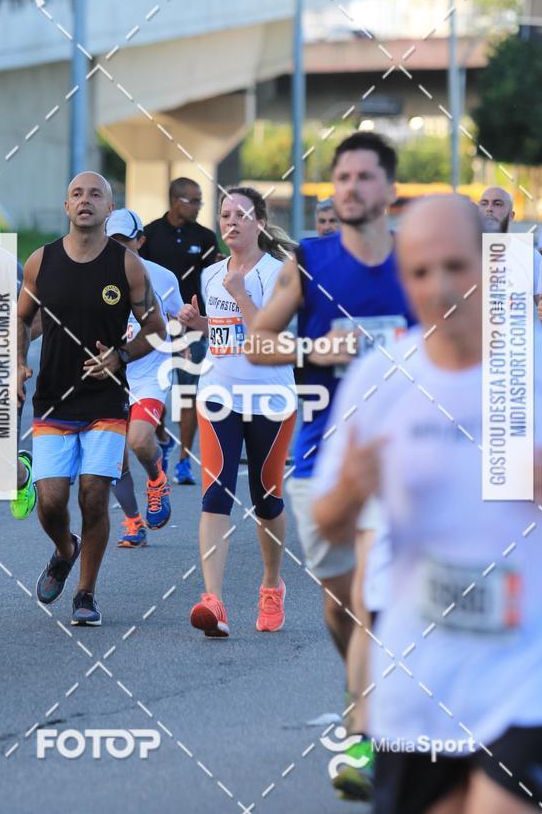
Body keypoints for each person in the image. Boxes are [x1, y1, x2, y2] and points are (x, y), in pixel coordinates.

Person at [313, 194, 542, 814]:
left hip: (527, 670)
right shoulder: (382, 378)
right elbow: (327, 522)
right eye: (420, 272)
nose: (439, 286)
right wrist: (351, 488)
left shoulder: (537, 364)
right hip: (419, 678)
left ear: (490, 264)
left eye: (455, 267)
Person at [248, 132, 414, 695]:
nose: (351, 186)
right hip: (323, 454)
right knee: (340, 607)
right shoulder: (308, 262)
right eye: (342, 177)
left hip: (402, 456)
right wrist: (309, 350)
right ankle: (360, 691)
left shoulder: (419, 263)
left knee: (376, 591)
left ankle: (373, 724)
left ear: (390, 189)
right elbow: (256, 342)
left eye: (364, 176)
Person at [17, 172, 166, 626]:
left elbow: (157, 330)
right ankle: (65, 549)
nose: (86, 201)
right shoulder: (40, 262)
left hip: (104, 401)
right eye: (77, 194)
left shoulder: (127, 266)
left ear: (109, 207)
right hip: (53, 402)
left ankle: (85, 592)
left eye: (95, 194)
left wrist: (120, 356)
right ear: (67, 207)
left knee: (95, 497)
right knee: (51, 502)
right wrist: (19, 364)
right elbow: (21, 320)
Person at [179, 186, 297, 637]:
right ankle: (214, 600)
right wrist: (199, 325)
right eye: (225, 214)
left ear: (259, 223)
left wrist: (242, 296)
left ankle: (271, 586)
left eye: (241, 215)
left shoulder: (281, 273)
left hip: (270, 397)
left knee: (266, 499)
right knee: (215, 495)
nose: (231, 222)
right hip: (219, 395)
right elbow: (225, 331)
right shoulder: (212, 275)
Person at [105, 208, 183, 546]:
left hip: (150, 374)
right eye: (113, 241)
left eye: (126, 241)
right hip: (107, 377)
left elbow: (178, 316)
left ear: (140, 240)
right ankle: (133, 522)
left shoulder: (162, 277)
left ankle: (156, 479)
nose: (120, 248)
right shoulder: (92, 276)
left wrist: (182, 343)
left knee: (138, 440)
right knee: (111, 459)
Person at [140, 177, 218, 486]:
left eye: (200, 200)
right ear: (176, 200)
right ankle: (162, 437)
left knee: (187, 394)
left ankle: (185, 460)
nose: (199, 206)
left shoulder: (207, 237)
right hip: (154, 326)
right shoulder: (149, 235)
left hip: (192, 325)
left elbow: (213, 279)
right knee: (152, 391)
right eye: (194, 200)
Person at [479, 186, 541, 304]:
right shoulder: (462, 255)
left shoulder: (531, 257)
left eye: (497, 204)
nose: (489, 209)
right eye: (484, 204)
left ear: (511, 216)